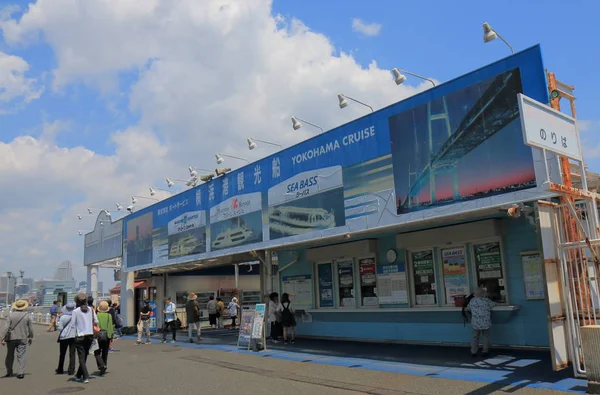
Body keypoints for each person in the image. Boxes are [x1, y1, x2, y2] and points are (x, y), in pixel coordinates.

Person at [0, 299, 34, 379]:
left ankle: (9, 372)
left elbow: (6, 327)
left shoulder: (10, 315)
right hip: (23, 338)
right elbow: (30, 328)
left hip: (11, 338)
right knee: (21, 355)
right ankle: (20, 373)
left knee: (10, 355)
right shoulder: (27, 315)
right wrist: (31, 337)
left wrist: (2, 338)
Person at [70, 293, 98, 384]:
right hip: (90, 335)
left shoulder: (76, 311)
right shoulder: (91, 309)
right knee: (85, 355)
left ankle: (85, 376)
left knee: (81, 357)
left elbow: (72, 325)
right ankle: (78, 375)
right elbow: (96, 321)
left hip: (80, 335)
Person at [467, 287, 496, 357]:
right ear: (483, 293)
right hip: (485, 322)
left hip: (476, 322)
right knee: (486, 337)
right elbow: (494, 304)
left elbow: (469, 308)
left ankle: (473, 351)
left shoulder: (472, 301)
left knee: (475, 337)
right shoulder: (486, 300)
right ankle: (485, 351)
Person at [56, 302, 76, 376]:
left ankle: (60, 368)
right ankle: (71, 369)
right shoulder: (75, 317)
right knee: (72, 353)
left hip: (64, 337)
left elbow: (60, 328)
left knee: (62, 353)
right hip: (73, 336)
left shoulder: (63, 317)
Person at [94, 301, 114, 376]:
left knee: (97, 352)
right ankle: (104, 365)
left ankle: (101, 365)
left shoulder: (97, 315)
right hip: (107, 336)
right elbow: (110, 327)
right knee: (105, 353)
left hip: (98, 335)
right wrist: (111, 336)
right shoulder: (109, 316)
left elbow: (96, 326)